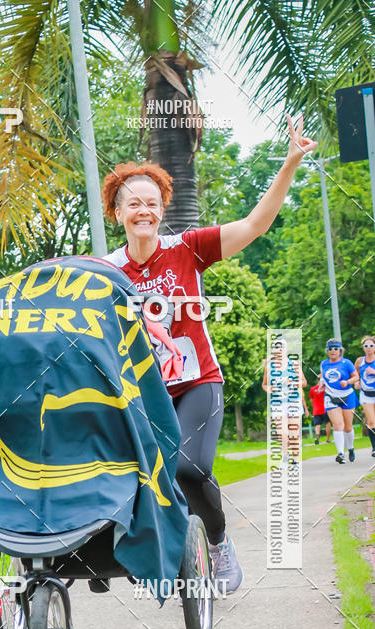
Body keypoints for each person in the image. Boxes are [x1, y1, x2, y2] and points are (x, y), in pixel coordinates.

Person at [102, 114, 317, 593]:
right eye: (133, 203)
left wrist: (289, 164)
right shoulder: (104, 270)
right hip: (141, 392)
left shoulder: (189, 249)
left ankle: (217, 542)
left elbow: (256, 224)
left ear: (162, 209)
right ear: (118, 213)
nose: (144, 211)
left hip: (198, 381)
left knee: (188, 467)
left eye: (152, 203)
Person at [261, 337, 306, 464]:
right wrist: (270, 389)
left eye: (281, 346)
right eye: (276, 347)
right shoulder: (269, 367)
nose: (279, 349)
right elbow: (264, 384)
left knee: (293, 432)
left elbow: (304, 382)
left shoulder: (294, 364)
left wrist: (293, 381)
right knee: (282, 432)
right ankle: (285, 456)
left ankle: (295, 460)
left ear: (286, 349)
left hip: (293, 401)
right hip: (278, 402)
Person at [320, 339, 359, 463]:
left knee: (347, 427)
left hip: (347, 395)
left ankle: (351, 448)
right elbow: (323, 377)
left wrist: (347, 382)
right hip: (330, 397)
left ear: (340, 350)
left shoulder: (346, 363)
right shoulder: (324, 364)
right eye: (330, 349)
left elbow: (356, 377)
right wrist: (321, 383)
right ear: (327, 350)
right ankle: (341, 453)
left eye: (335, 349)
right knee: (338, 425)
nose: (333, 351)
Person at [355, 335, 375, 458]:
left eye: (371, 346)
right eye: (366, 346)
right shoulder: (359, 361)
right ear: (363, 348)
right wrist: (357, 382)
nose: (368, 348)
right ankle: (374, 448)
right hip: (366, 394)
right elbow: (355, 374)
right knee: (372, 422)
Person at [309, 380, 331, 444]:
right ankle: (328, 439)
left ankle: (317, 439)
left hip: (316, 410)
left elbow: (311, 400)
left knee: (317, 425)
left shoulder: (312, 389)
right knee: (327, 423)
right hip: (326, 408)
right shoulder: (326, 388)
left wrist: (315, 406)